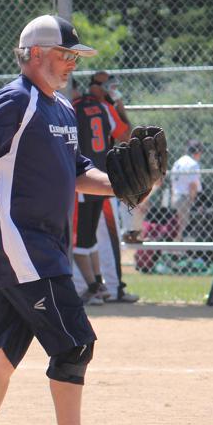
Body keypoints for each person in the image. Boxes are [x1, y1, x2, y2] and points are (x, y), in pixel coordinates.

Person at [0, 15, 133, 425]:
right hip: (20, 244)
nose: (71, 64)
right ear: (35, 53)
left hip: (41, 246)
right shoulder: (15, 99)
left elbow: (79, 171)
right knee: (75, 343)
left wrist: (123, 184)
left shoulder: (59, 108)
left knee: (2, 352)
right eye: (65, 55)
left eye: (75, 58)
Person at [73, 74, 139, 304]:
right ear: (94, 87)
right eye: (108, 87)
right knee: (94, 236)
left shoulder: (72, 106)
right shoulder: (103, 107)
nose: (112, 91)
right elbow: (125, 136)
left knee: (86, 236)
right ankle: (107, 287)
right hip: (101, 178)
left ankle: (98, 287)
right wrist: (119, 105)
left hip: (84, 178)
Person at [169, 140, 202, 239]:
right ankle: (179, 251)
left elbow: (172, 182)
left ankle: (175, 250)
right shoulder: (193, 164)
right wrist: (193, 202)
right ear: (197, 152)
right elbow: (193, 186)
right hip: (185, 198)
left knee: (176, 226)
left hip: (175, 196)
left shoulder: (178, 162)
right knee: (183, 228)